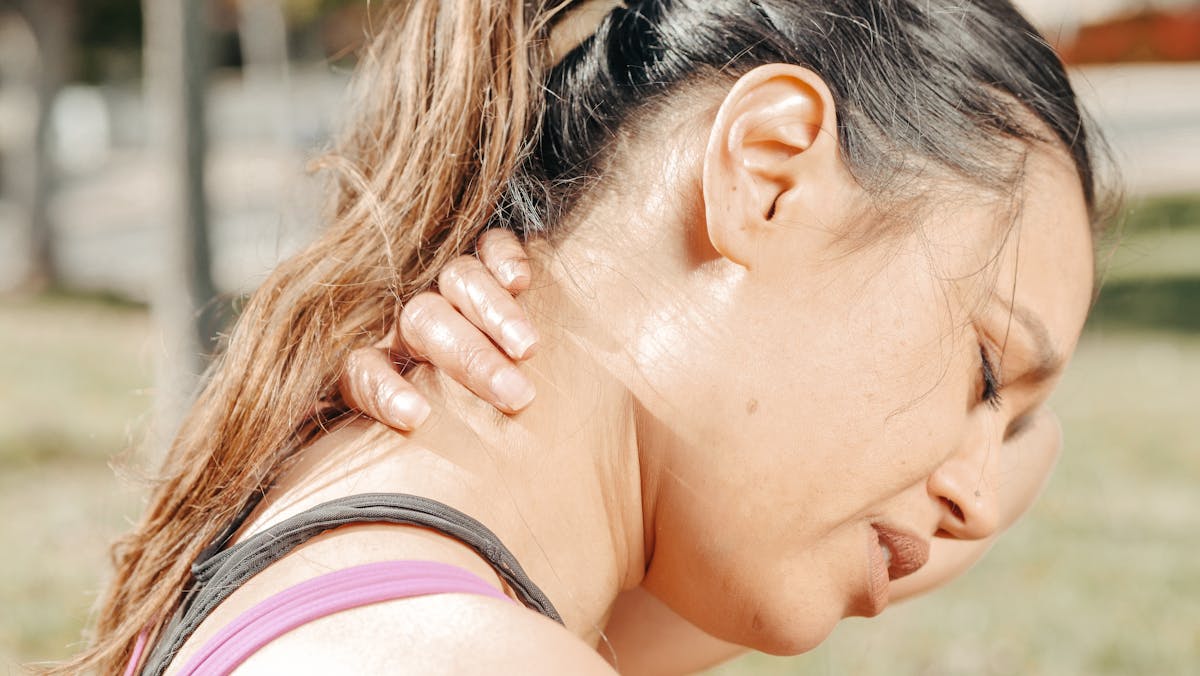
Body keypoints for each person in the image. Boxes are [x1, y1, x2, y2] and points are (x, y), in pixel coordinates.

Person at [59, 0, 1110, 673]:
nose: (976, 493)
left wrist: (1012, 416)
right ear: (770, 174)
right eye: (982, 367)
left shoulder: (345, 536)